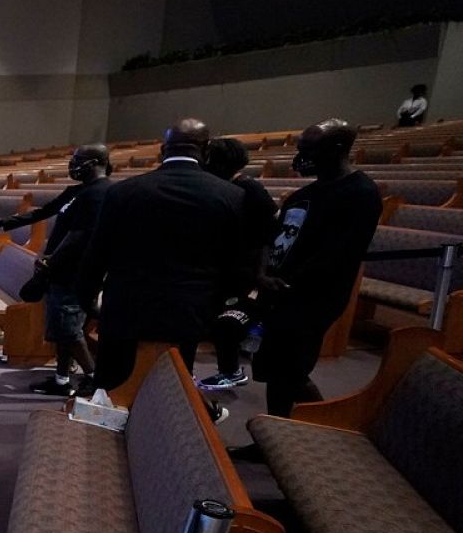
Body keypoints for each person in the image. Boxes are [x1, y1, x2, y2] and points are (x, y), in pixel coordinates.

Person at [77, 118, 245, 414]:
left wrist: (87, 297)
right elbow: (234, 262)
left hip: (126, 306)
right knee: (169, 385)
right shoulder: (230, 196)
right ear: (205, 149)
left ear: (163, 149)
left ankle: (103, 436)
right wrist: (214, 306)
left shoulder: (124, 191)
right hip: (187, 310)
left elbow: (97, 253)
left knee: (112, 386)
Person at [250, 120, 382, 418]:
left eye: (309, 149)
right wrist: (262, 274)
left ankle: (324, 424)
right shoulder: (302, 195)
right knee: (276, 369)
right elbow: (271, 239)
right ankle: (275, 431)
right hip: (279, 292)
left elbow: (340, 253)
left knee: (291, 370)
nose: (301, 155)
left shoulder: (360, 192)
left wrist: (287, 281)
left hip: (314, 297)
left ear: (336, 148)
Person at [0, 144, 112, 396]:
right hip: (60, 269)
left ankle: (96, 380)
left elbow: (80, 234)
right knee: (63, 330)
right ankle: (61, 380)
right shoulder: (78, 191)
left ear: (96, 162)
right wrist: (5, 222)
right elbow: (44, 212)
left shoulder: (101, 193)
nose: (73, 164)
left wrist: (52, 259)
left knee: (70, 330)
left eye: (78, 160)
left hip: (76, 271)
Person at [198, 138, 279, 391]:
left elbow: (270, 234)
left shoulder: (250, 189)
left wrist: (261, 272)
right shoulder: (219, 187)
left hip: (248, 271)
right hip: (224, 268)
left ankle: (231, 371)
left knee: (228, 323)